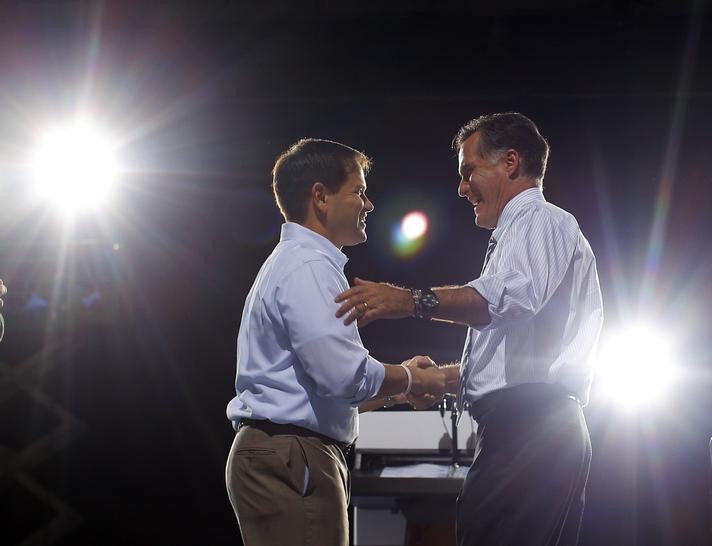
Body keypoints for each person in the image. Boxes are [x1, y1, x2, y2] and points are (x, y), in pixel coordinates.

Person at [334, 113, 603, 546]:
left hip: (531, 429)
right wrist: (434, 379)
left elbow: (510, 299)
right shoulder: (519, 236)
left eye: (468, 171)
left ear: (510, 163)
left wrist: (409, 301)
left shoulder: (540, 221)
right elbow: (515, 356)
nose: (462, 188)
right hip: (528, 429)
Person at [225, 138, 447, 546]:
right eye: (359, 192)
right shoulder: (309, 266)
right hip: (294, 453)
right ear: (321, 197)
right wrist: (413, 380)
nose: (369, 204)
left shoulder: (294, 263)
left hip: (286, 451)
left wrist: (397, 390)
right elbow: (341, 375)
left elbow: (319, 389)